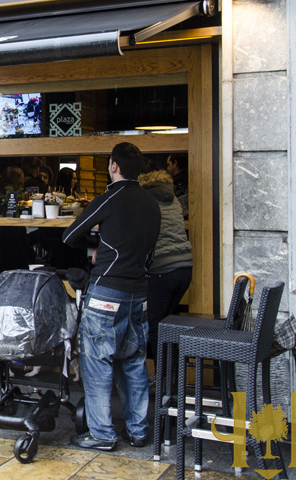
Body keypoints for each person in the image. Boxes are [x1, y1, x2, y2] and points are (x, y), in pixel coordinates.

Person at [62, 142, 161, 451]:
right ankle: (138, 430)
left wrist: (97, 243)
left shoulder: (111, 197)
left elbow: (69, 235)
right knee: (133, 361)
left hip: (107, 290)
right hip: (139, 293)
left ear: (114, 166)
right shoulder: (152, 202)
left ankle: (102, 434)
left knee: (97, 361)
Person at [138, 163, 192, 365]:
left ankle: (162, 377)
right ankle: (172, 376)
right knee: (167, 322)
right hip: (185, 267)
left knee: (155, 324)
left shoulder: (146, 201)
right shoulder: (174, 200)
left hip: (162, 270)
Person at [166, 153, 189, 219]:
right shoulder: (190, 179)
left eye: (168, 164)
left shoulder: (174, 183)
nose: (167, 168)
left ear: (175, 163)